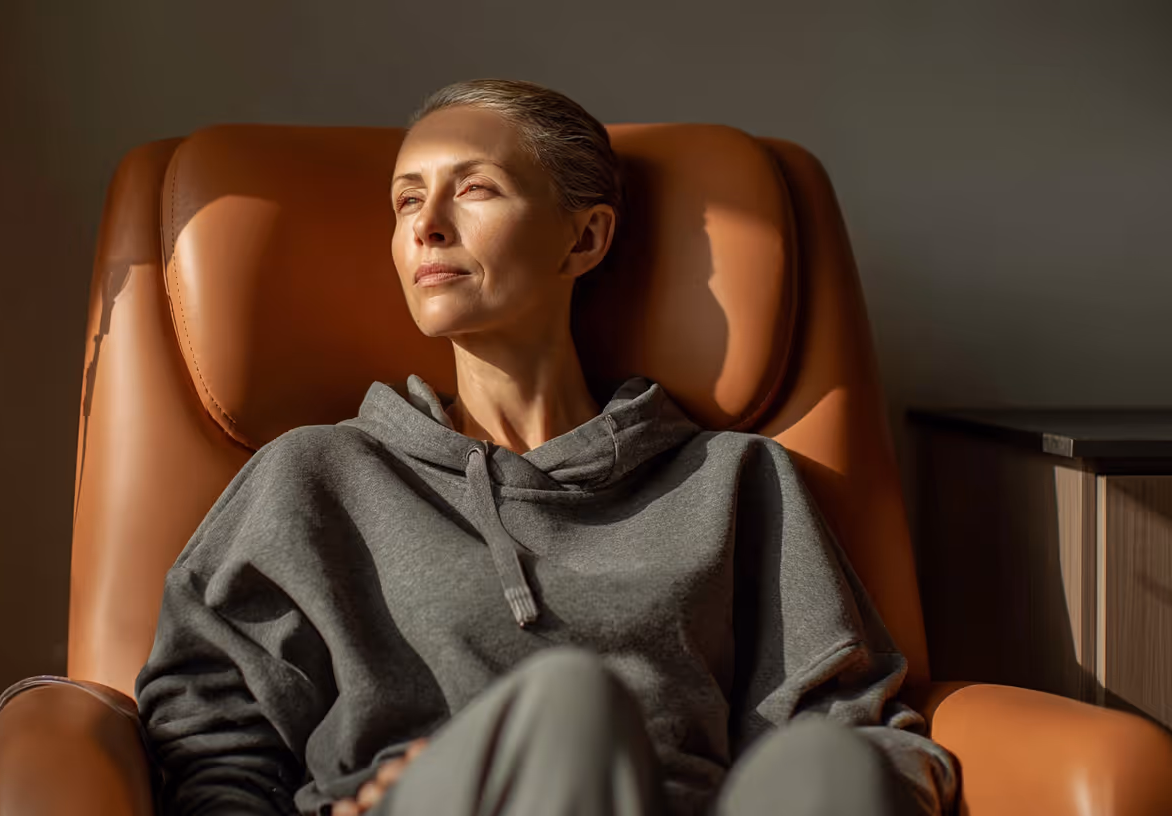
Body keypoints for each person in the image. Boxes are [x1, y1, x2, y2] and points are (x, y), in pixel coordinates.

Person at [135, 78, 959, 816]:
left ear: (584, 239)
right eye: (406, 200)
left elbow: (853, 721)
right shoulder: (313, 476)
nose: (427, 227)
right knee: (571, 705)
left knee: (829, 764)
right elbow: (211, 738)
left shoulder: (736, 479)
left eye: (475, 189)